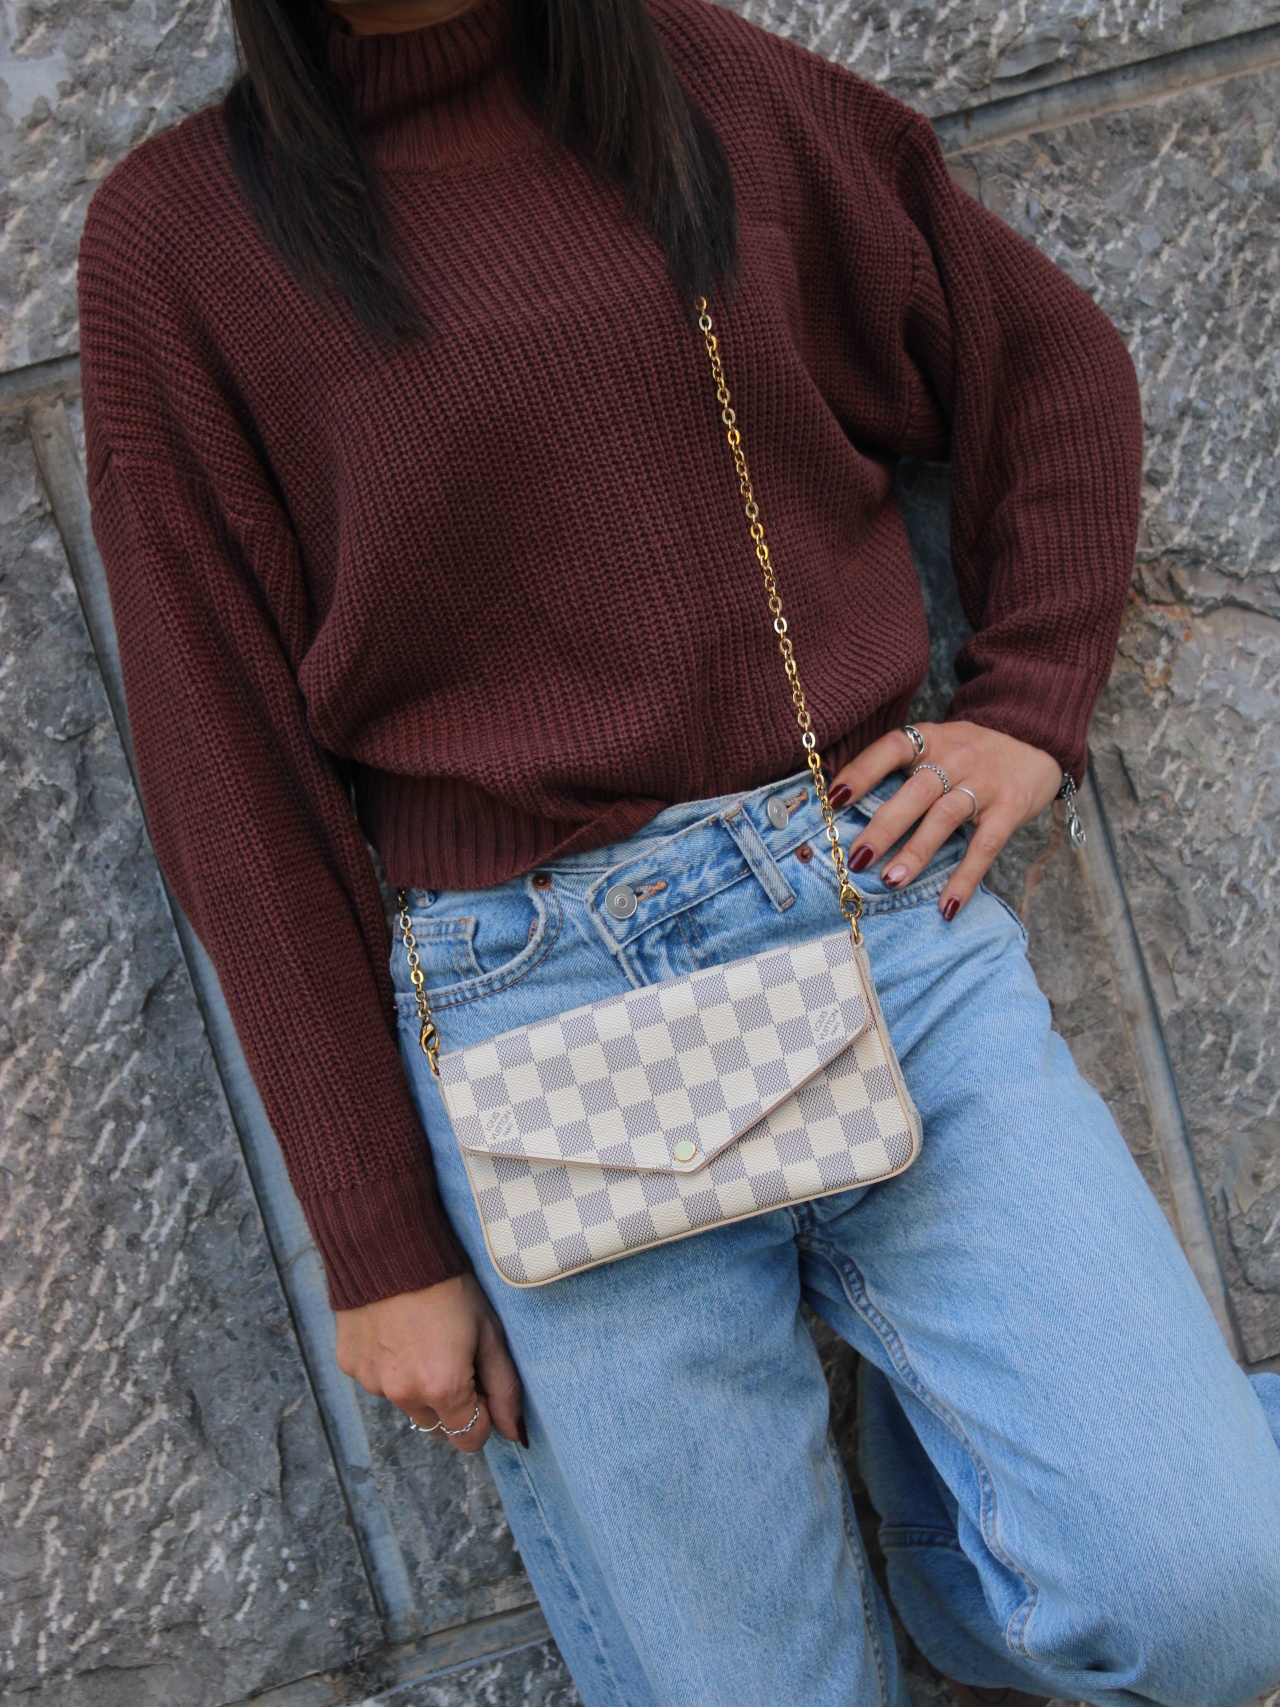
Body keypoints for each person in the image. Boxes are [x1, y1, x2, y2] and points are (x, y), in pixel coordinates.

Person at [76, 0, 1280, 1700]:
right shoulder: (183, 236)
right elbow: (228, 773)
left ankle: (962, 1543)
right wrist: (380, 1244)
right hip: (531, 1023)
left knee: (1219, 1602)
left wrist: (1029, 701)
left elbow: (1048, 359)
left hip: (863, 913)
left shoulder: (703, 84)